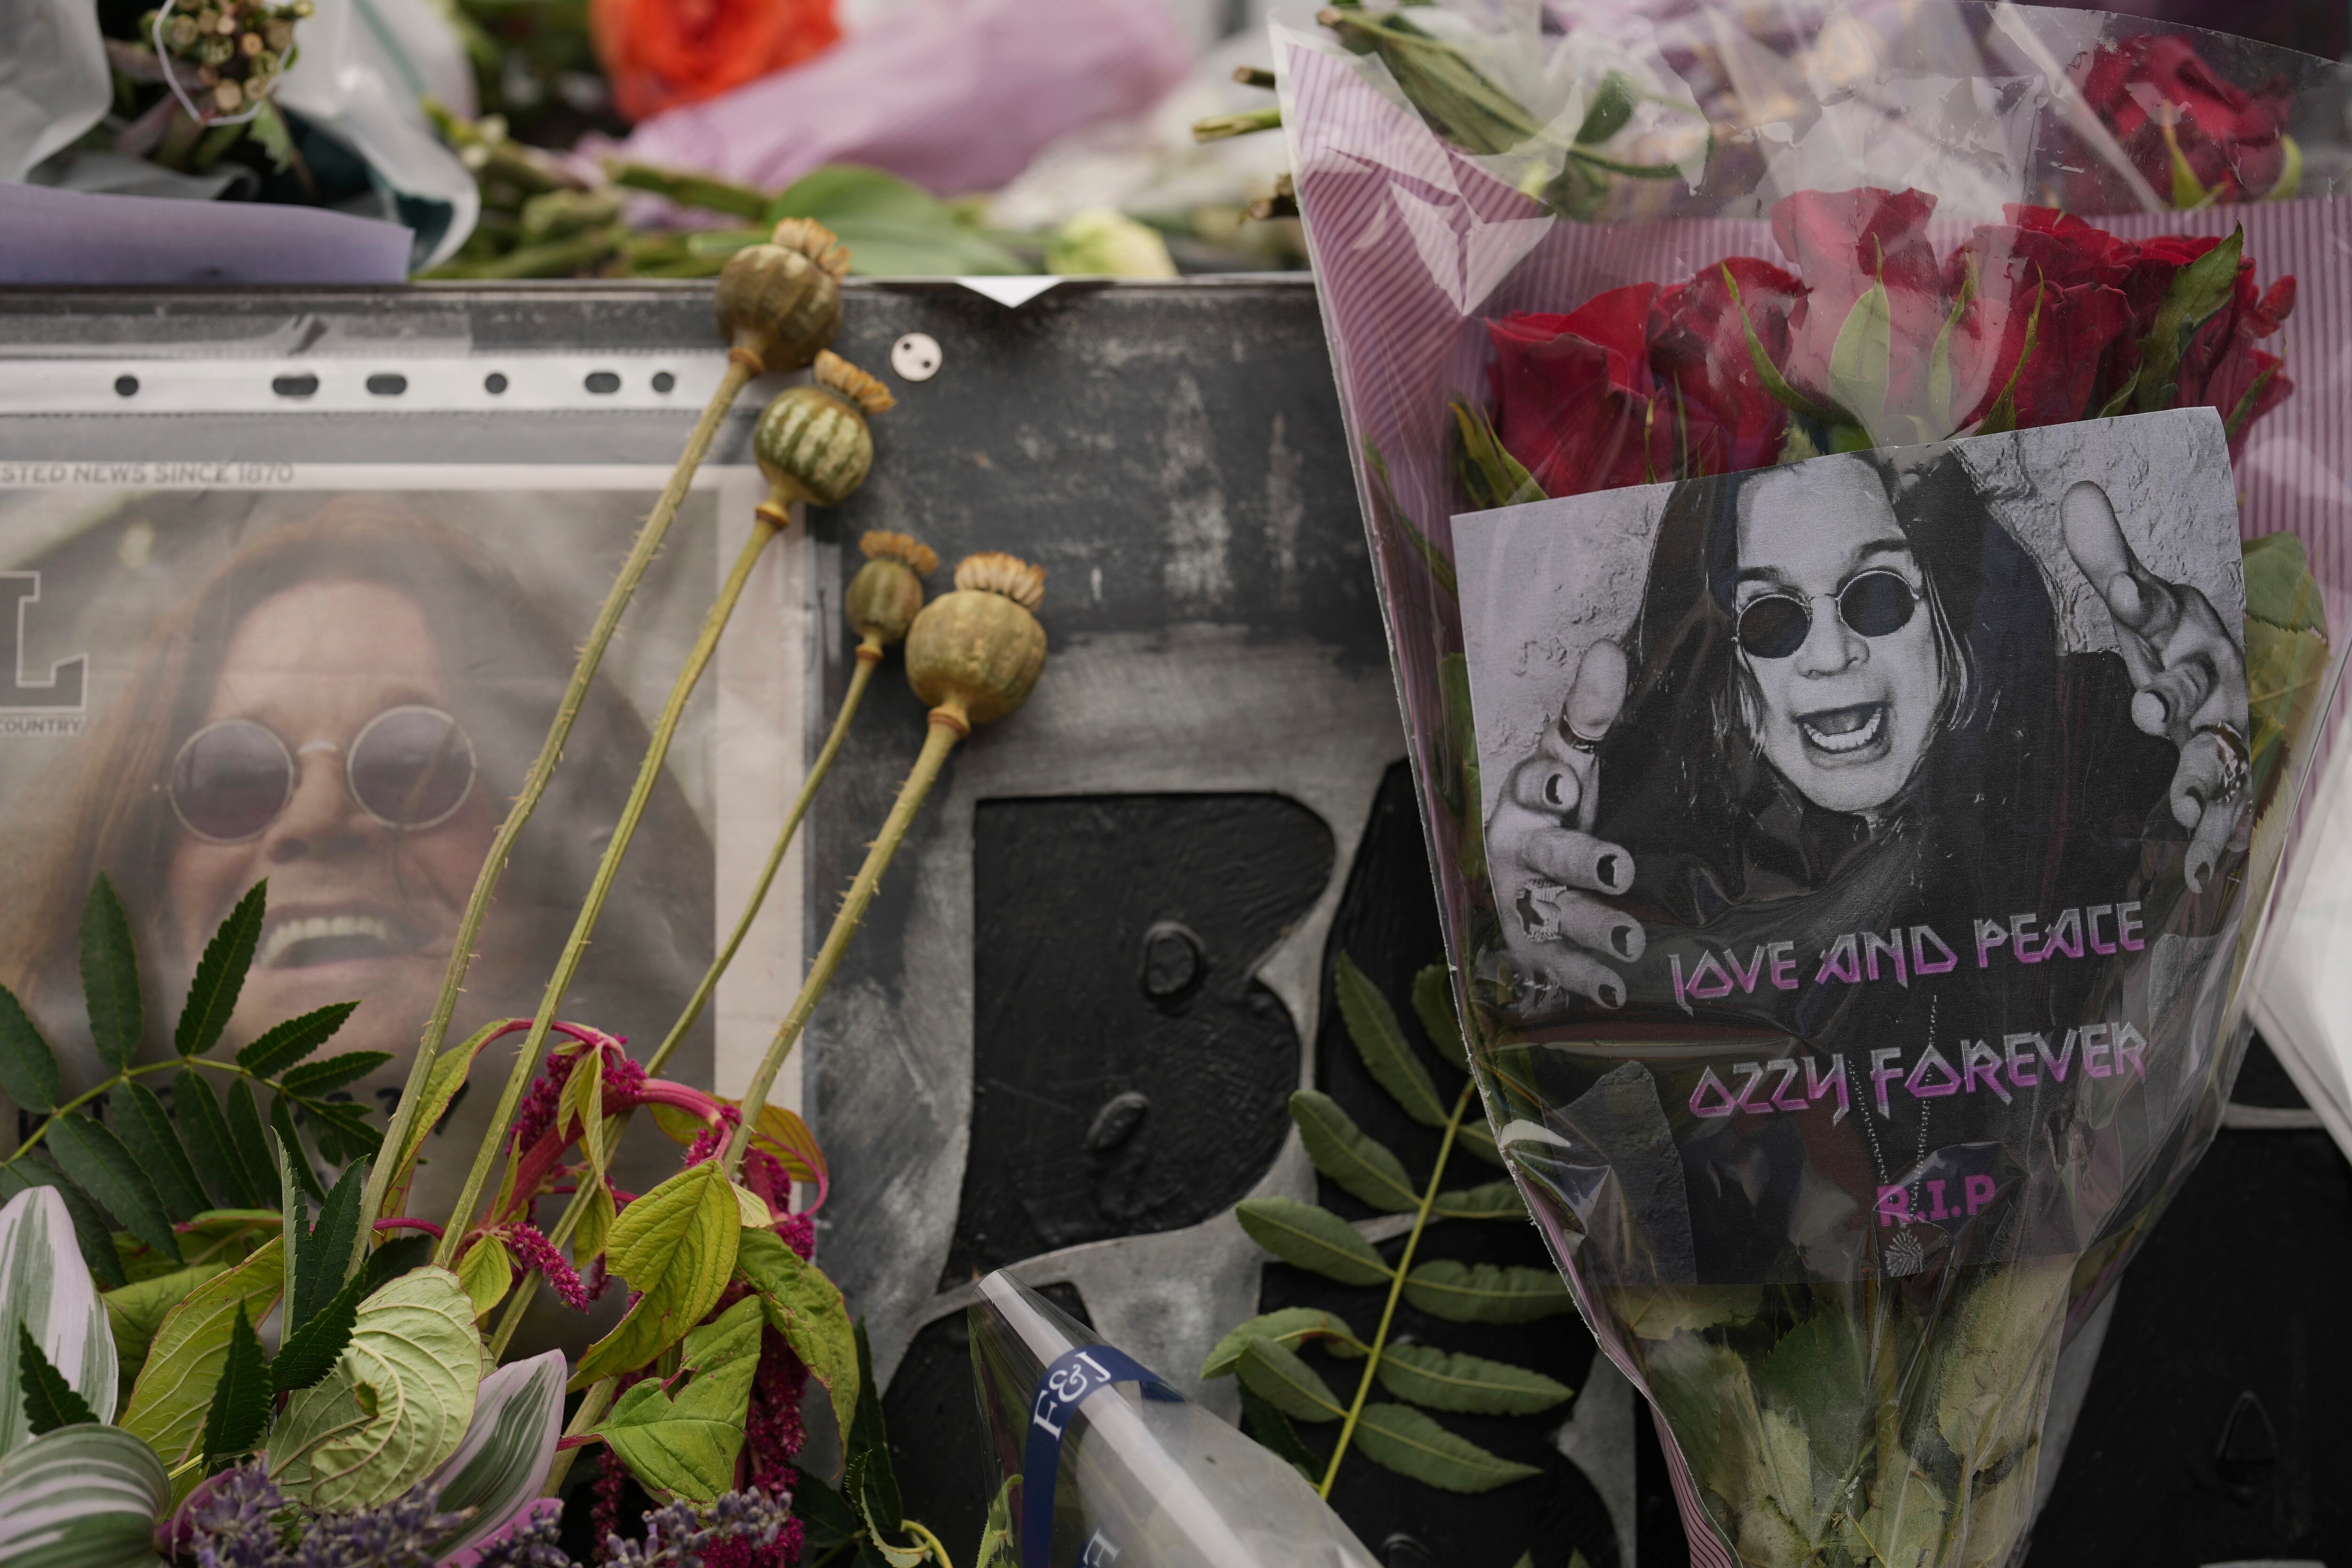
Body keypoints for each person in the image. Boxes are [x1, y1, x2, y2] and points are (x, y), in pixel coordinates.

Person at [0, 496, 713, 1236]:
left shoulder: (697, 1234)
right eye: (235, 777)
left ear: (552, 860)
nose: (316, 816)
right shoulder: (33, 1245)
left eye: (410, 762)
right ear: (152, 896)